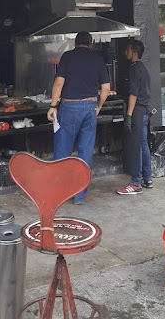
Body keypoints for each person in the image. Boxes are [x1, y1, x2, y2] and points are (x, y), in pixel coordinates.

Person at [47, 31, 111, 204]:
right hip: (90, 107)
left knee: (63, 151)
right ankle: (80, 195)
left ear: (75, 43)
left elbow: (58, 83)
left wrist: (53, 106)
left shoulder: (67, 57)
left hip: (69, 107)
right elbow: (106, 88)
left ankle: (59, 193)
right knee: (85, 152)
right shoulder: (98, 59)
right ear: (91, 44)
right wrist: (98, 106)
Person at [117, 39, 152, 195]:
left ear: (134, 53)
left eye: (128, 50)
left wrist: (129, 115)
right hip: (144, 110)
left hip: (137, 111)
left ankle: (135, 183)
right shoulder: (143, 68)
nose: (126, 52)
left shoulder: (134, 68)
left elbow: (133, 94)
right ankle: (147, 178)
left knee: (135, 146)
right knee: (143, 144)